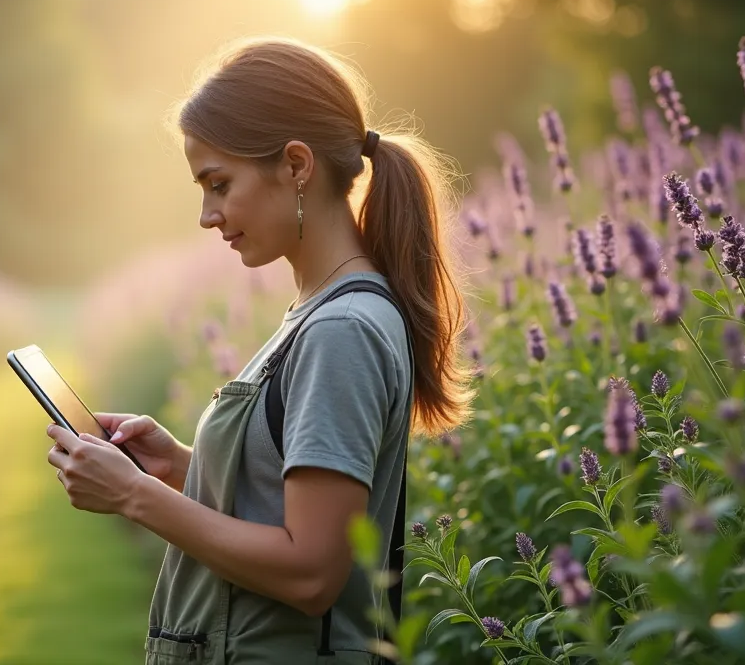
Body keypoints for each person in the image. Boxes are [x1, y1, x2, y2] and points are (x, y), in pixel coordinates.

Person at [44, 35, 473, 664]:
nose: (207, 215)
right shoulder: (321, 314)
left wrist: (136, 497)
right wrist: (183, 470)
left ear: (297, 166)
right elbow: (288, 507)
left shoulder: (341, 331)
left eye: (218, 183)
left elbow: (310, 572)